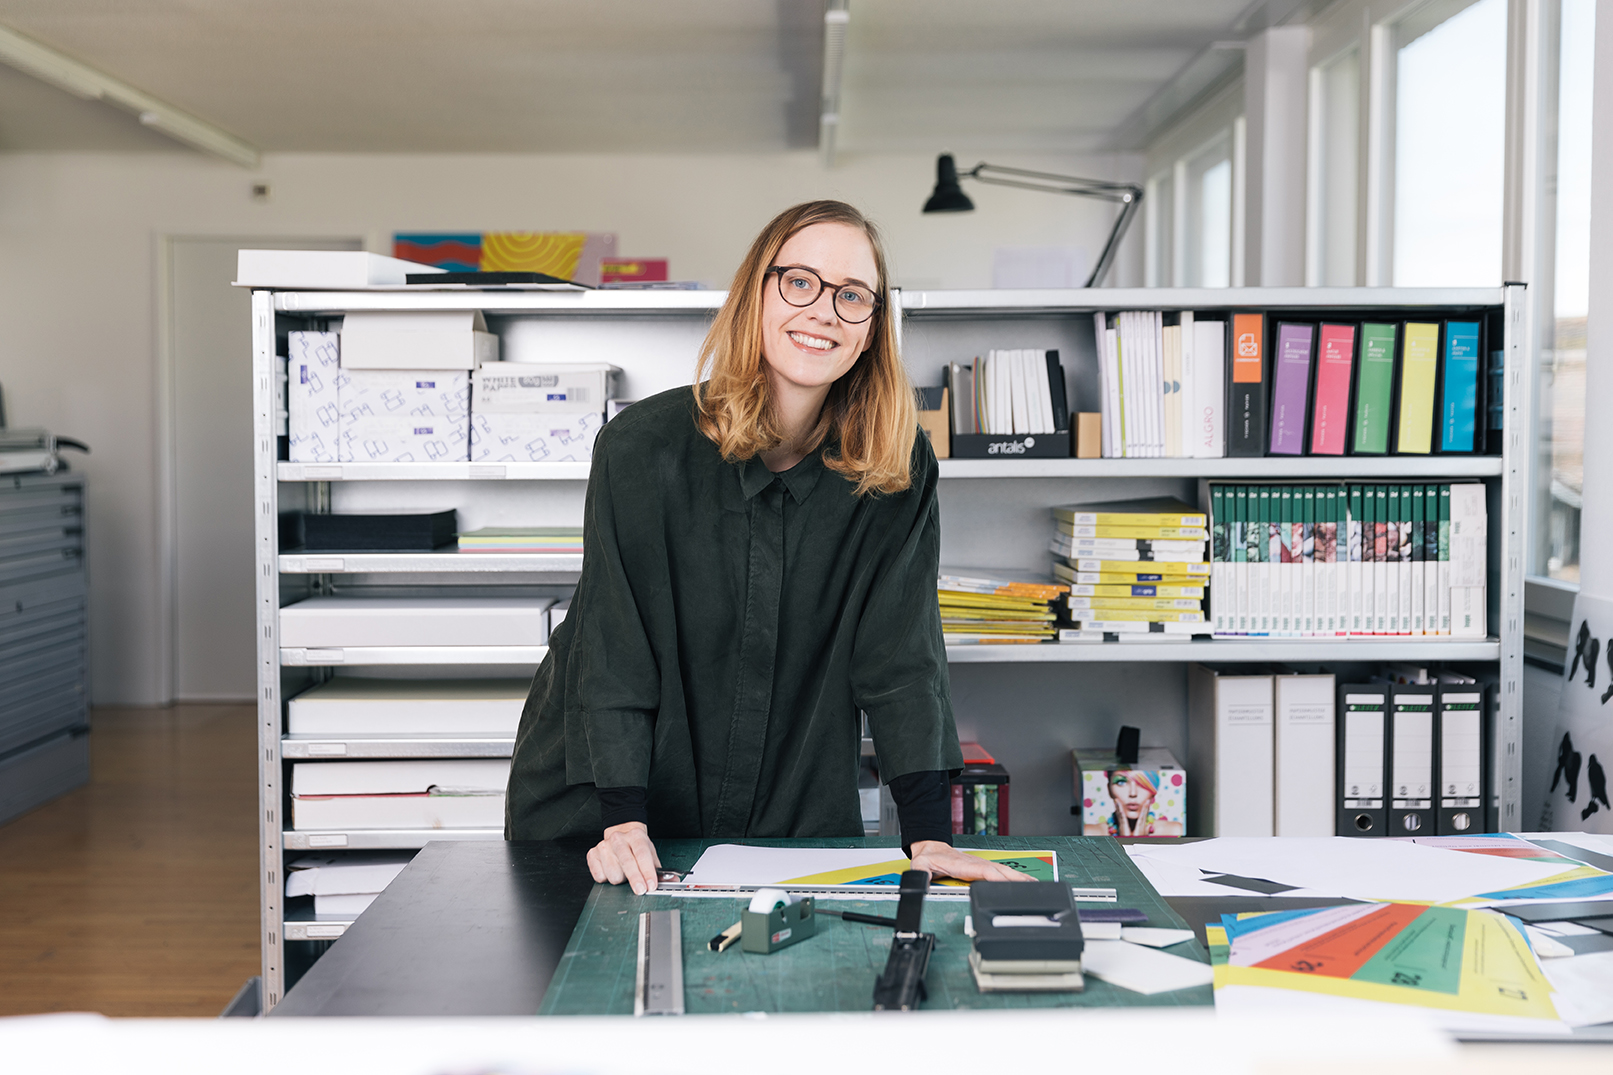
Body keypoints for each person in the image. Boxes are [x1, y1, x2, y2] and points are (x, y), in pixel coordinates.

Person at [505, 199, 1025, 893]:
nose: (822, 312)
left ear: (871, 329)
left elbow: (902, 655)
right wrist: (623, 817)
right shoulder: (640, 449)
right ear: (755, 293)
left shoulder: (896, 465)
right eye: (799, 282)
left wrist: (927, 833)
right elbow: (613, 646)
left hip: (786, 806)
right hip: (604, 812)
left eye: (851, 296)